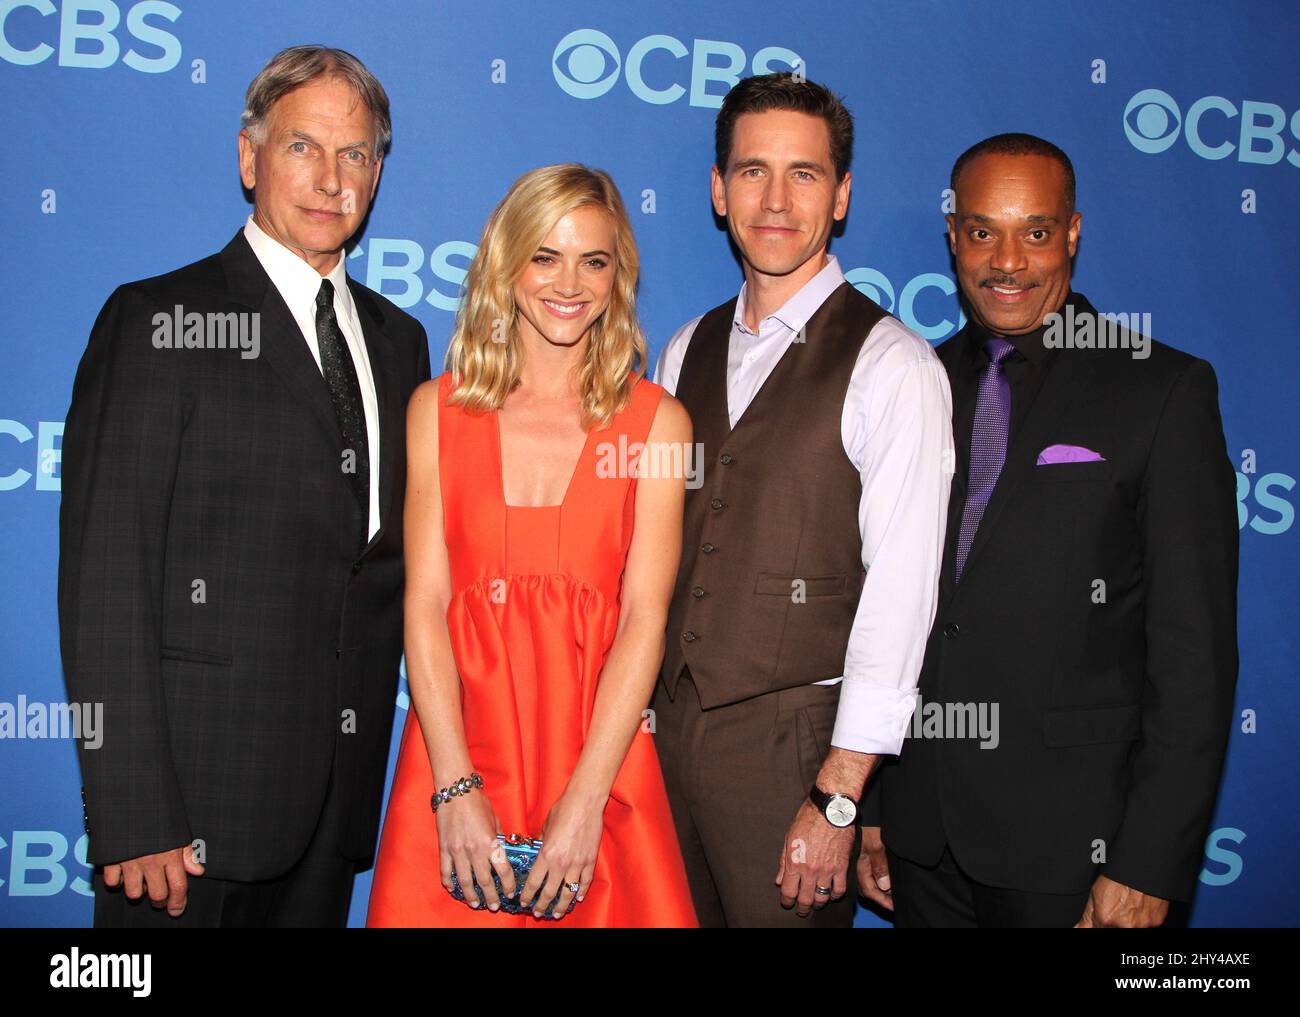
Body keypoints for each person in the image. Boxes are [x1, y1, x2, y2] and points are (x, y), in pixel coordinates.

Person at [58, 45, 430, 927]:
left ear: (378, 173)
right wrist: (133, 810)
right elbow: (105, 583)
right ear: (247, 156)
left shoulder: (399, 343)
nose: (331, 178)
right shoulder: (158, 320)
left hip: (333, 814)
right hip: (185, 819)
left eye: (356, 155)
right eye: (303, 146)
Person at [857, 133, 1239, 928]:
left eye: (1034, 231)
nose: (1007, 261)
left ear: (1072, 232)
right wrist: (874, 804)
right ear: (952, 234)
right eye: (982, 231)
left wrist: (1148, 858)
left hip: (1079, 848)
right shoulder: (911, 383)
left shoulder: (1162, 390)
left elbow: (1193, 653)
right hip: (921, 838)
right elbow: (886, 608)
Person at [653, 72, 954, 927]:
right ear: (719, 190)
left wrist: (837, 798)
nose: (776, 199)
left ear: (843, 193)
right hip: (668, 738)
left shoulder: (895, 366)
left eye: (805, 173)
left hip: (796, 758)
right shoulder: (684, 347)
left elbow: (901, 599)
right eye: (752, 171)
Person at [366, 163, 698, 927]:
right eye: (545, 255)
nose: (569, 283)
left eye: (595, 260)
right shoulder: (437, 411)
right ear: (505, 263)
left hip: (598, 766)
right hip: (455, 756)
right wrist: (452, 787)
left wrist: (585, 802)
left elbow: (645, 619)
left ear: (620, 276)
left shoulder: (658, 424)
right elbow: (425, 603)